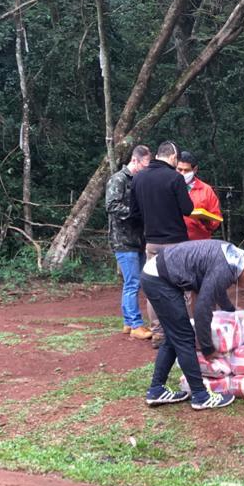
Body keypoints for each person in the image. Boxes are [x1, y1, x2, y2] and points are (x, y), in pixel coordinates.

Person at [140, 240, 244, 410]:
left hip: (159, 275)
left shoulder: (234, 259)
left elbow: (216, 288)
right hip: (159, 279)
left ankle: (156, 390)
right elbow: (202, 309)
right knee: (184, 336)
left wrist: (231, 311)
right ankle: (200, 395)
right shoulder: (227, 266)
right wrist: (207, 347)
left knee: (174, 335)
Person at [130, 139, 194, 347]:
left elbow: (133, 213)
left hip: (152, 243)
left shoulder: (138, 178)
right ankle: (184, 331)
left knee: (154, 289)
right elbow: (188, 209)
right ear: (173, 157)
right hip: (176, 244)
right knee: (183, 288)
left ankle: (158, 333)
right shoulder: (175, 178)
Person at [105, 143, 152, 339]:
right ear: (135, 160)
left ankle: (128, 321)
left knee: (134, 282)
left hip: (138, 239)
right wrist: (135, 212)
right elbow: (111, 205)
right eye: (145, 165)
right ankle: (135, 324)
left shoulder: (139, 180)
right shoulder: (118, 179)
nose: (147, 169)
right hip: (123, 240)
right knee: (132, 283)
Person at [176, 151, 224, 240]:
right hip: (173, 241)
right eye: (179, 169)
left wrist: (206, 221)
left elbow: (216, 220)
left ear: (195, 169)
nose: (182, 173)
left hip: (199, 242)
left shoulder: (206, 190)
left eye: (186, 170)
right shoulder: (168, 186)